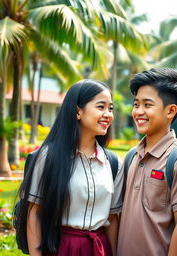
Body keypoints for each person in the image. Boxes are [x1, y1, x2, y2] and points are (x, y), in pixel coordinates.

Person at [17, 79, 123, 256]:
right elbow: (34, 214)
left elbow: (112, 219)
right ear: (78, 111)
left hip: (99, 248)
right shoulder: (48, 157)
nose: (108, 114)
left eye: (110, 108)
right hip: (60, 247)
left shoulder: (113, 163)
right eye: (100, 107)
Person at [118, 68, 177, 256]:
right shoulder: (131, 156)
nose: (138, 111)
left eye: (147, 105)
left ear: (170, 110)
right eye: (136, 104)